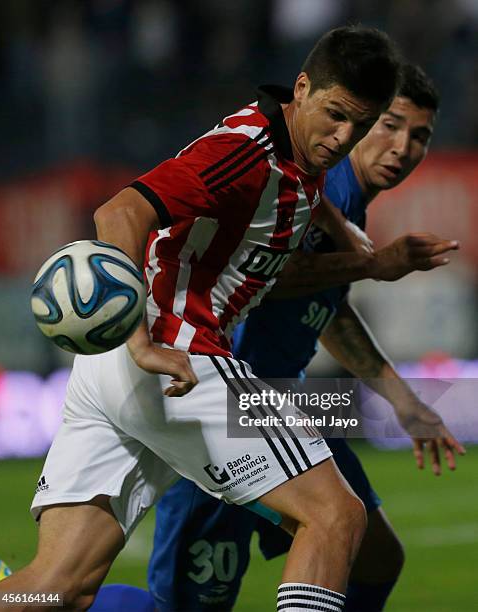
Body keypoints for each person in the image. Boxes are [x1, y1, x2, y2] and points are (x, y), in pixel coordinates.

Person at [0, 28, 435, 612]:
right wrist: (142, 340)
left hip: (115, 376)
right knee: (335, 516)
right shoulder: (243, 150)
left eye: (361, 123)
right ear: (303, 90)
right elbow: (119, 211)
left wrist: (354, 244)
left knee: (59, 586)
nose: (343, 136)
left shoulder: (296, 147)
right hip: (178, 360)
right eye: (335, 116)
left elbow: (301, 191)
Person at [147, 64, 465, 612]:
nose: (403, 147)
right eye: (390, 125)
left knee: (375, 552)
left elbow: (329, 312)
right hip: (229, 405)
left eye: (420, 136)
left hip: (287, 402)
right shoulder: (327, 183)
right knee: (182, 606)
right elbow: (260, 277)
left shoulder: (350, 202)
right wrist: (372, 266)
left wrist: (404, 402)